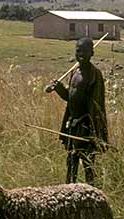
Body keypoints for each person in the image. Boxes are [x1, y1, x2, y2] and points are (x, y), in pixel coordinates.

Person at [45, 37, 108, 184]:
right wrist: (59, 89)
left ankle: (91, 192)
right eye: (78, 51)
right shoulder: (74, 72)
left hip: (86, 125)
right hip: (72, 124)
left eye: (84, 51)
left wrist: (94, 132)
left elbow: (97, 106)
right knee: (71, 161)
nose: (80, 54)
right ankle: (69, 191)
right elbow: (70, 97)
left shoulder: (94, 74)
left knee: (88, 163)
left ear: (92, 53)